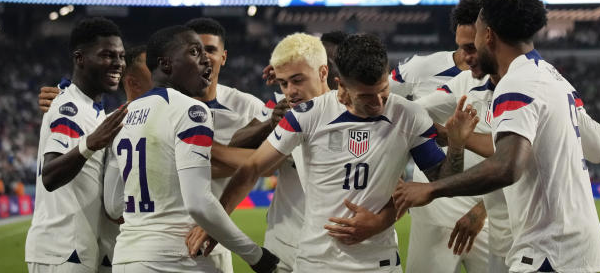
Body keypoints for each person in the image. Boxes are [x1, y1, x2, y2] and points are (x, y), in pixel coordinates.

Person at [201, 33, 478, 272]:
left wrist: (456, 144)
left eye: (383, 90)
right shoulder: (306, 115)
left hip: (378, 263)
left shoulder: (410, 115)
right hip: (315, 262)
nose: (379, 102)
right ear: (342, 86)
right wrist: (215, 223)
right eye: (366, 96)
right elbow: (252, 168)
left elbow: (444, 182)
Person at [394, 0, 600, 273]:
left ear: (488, 35)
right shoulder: (550, 76)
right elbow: (590, 148)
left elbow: (508, 166)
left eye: (476, 36)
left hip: (547, 250)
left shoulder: (515, 84)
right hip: (573, 247)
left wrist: (433, 189)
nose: (469, 52)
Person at [103, 25, 278, 273]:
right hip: (182, 258)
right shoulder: (191, 111)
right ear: (166, 65)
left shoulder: (121, 116)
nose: (205, 60)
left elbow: (113, 204)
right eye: (195, 53)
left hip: (129, 257)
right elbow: (198, 203)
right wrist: (255, 255)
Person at [393, 0, 496, 273]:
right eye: (462, 45)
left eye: (473, 46)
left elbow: (516, 154)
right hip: (434, 206)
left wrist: (483, 210)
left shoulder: (510, 82)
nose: (466, 55)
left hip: (490, 207)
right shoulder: (421, 68)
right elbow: (382, 109)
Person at [25, 17, 129, 273]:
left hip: (81, 249)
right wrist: (90, 144)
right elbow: (49, 175)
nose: (117, 63)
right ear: (80, 58)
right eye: (107, 55)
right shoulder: (68, 108)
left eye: (121, 56)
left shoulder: (95, 112)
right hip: (62, 249)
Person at [186, 17, 265, 273]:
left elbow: (270, 161)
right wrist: (236, 158)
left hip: (214, 242)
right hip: (161, 238)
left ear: (224, 56)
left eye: (210, 49)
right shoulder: (167, 105)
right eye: (195, 51)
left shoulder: (248, 107)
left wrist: (199, 153)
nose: (204, 57)